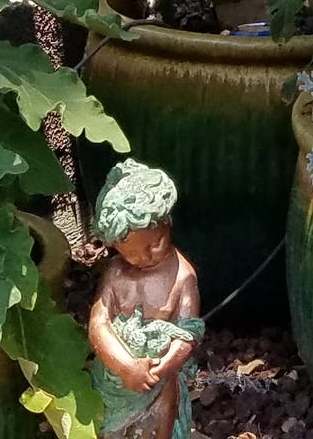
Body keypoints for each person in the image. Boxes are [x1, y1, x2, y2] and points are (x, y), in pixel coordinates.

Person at [86, 159, 203, 439]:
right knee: (106, 429)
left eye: (154, 244)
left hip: (155, 382)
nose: (144, 257)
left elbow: (188, 335)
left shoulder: (182, 276)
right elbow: (98, 324)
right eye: (130, 253)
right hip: (115, 378)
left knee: (158, 425)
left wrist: (158, 370)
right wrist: (126, 366)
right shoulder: (115, 273)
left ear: (167, 224)